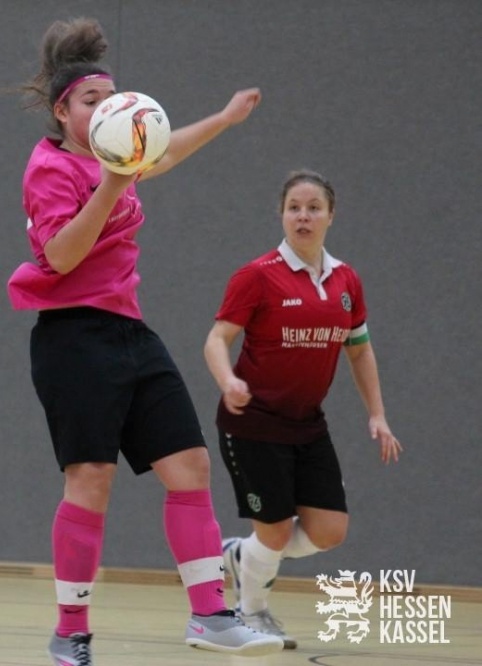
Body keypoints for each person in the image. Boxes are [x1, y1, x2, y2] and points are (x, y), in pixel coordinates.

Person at [6, 18, 282, 665]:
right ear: (63, 111)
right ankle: (71, 631)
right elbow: (60, 255)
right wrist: (113, 180)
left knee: (190, 466)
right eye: (90, 101)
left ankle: (210, 616)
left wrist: (224, 118)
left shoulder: (117, 159)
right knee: (91, 478)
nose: (105, 108)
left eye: (111, 97)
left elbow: (164, 153)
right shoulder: (50, 167)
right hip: (73, 338)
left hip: (131, 332)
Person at [204, 169, 402, 649]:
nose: (303, 216)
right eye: (294, 207)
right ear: (282, 215)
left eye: (314, 208)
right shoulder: (257, 276)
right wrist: (228, 380)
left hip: (307, 425)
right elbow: (216, 339)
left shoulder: (346, 280)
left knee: (329, 531)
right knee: (273, 534)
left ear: (331, 216)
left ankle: (241, 555)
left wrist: (377, 414)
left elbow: (359, 350)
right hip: (253, 423)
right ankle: (251, 611)